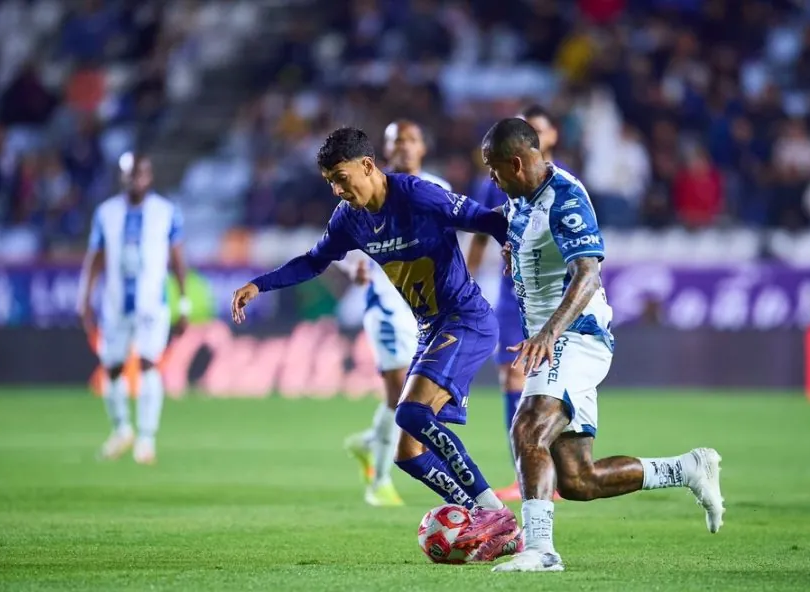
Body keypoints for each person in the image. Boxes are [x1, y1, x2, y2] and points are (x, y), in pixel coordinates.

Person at [230, 127, 519, 560]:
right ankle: (487, 520)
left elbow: (486, 219)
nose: (337, 189)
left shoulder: (417, 195)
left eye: (341, 178)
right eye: (330, 181)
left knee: (411, 412)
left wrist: (511, 246)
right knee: (407, 453)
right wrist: (260, 284)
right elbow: (315, 260)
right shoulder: (350, 218)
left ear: (367, 165)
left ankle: (493, 513)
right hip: (431, 329)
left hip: (466, 320)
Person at [479, 119, 725, 573]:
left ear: (515, 163)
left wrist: (549, 332)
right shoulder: (520, 200)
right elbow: (526, 241)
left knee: (528, 428)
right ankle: (688, 468)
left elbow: (588, 274)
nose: (490, 177)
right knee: (578, 479)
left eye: (493, 167)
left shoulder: (566, 198)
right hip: (555, 341)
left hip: (574, 335)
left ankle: (540, 550)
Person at [342, 120, 452, 507]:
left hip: (426, 310)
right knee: (399, 392)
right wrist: (352, 268)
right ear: (385, 151)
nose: (404, 146)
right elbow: (339, 245)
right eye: (396, 140)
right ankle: (380, 483)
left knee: (416, 397)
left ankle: (371, 441)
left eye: (411, 139)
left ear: (423, 147)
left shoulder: (438, 188)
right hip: (387, 306)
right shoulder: (369, 190)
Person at [465, 105, 563, 501]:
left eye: (537, 129)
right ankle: (524, 473)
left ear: (550, 136)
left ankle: (556, 470)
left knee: (554, 382)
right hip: (511, 296)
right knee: (512, 377)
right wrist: (467, 283)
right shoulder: (495, 180)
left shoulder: (564, 184)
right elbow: (479, 233)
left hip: (551, 297)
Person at [78, 153, 189, 465]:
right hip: (115, 303)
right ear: (122, 177)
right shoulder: (106, 213)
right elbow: (96, 257)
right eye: (130, 174)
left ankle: (146, 439)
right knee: (112, 366)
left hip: (152, 303)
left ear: (149, 177)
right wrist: (84, 298)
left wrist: (183, 303)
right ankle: (121, 430)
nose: (135, 180)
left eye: (140, 174)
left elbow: (178, 260)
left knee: (148, 363)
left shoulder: (166, 212)